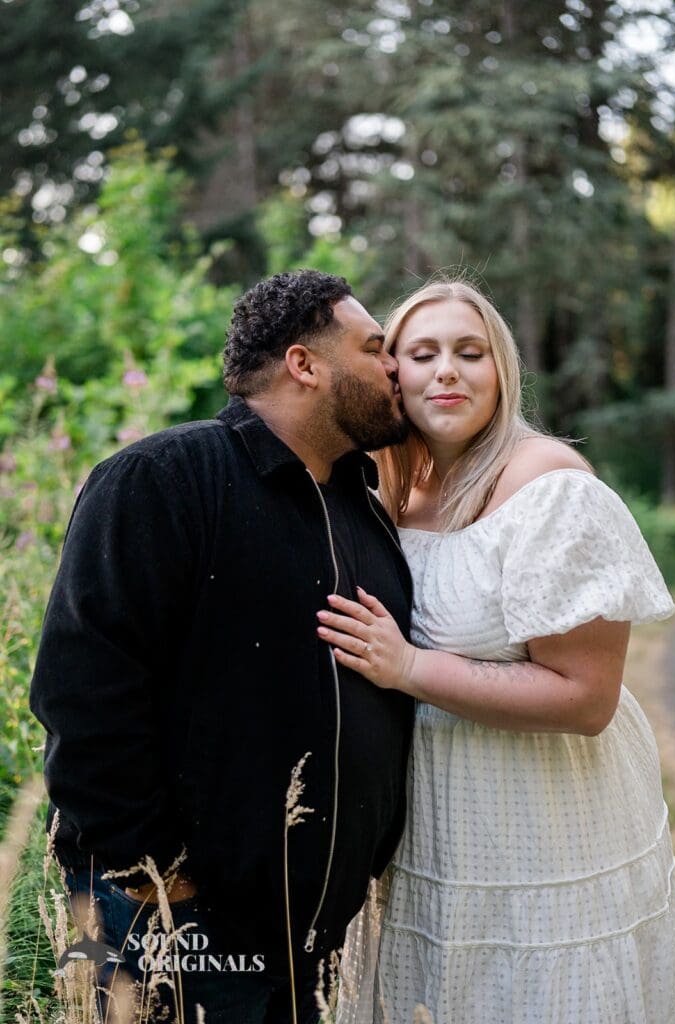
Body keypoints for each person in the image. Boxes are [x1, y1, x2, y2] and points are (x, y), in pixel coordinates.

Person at [29, 269, 416, 1024]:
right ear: (305, 363)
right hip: (183, 924)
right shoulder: (160, 480)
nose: (397, 367)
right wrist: (157, 879)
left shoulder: (359, 510)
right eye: (376, 349)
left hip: (316, 934)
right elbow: (83, 693)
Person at [323, 278, 675, 1023]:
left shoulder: (551, 491)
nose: (445, 370)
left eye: (469, 352)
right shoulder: (388, 492)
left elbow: (586, 700)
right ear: (393, 373)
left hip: (545, 822)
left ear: (501, 372)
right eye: (421, 353)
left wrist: (412, 669)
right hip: (424, 832)